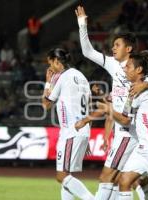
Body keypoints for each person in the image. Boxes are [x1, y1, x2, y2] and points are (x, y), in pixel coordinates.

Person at [75, 5, 148, 200]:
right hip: (124, 125)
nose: (113, 47)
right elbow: (87, 51)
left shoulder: (140, 66)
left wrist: (145, 84)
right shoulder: (113, 64)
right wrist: (82, 24)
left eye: (117, 44)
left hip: (130, 130)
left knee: (109, 176)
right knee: (127, 180)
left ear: (128, 48)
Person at [97, 53, 148, 200]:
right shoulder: (132, 91)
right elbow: (125, 119)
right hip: (143, 147)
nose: (124, 69)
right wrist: (107, 107)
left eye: (128, 66)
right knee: (124, 180)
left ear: (140, 69)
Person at [41, 48, 94, 200]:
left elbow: (46, 104)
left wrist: (47, 82)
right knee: (67, 175)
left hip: (71, 132)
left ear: (57, 61)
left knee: (62, 176)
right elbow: (88, 106)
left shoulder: (63, 77)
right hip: (81, 131)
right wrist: (86, 134)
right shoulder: (82, 76)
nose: (50, 67)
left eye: (50, 63)